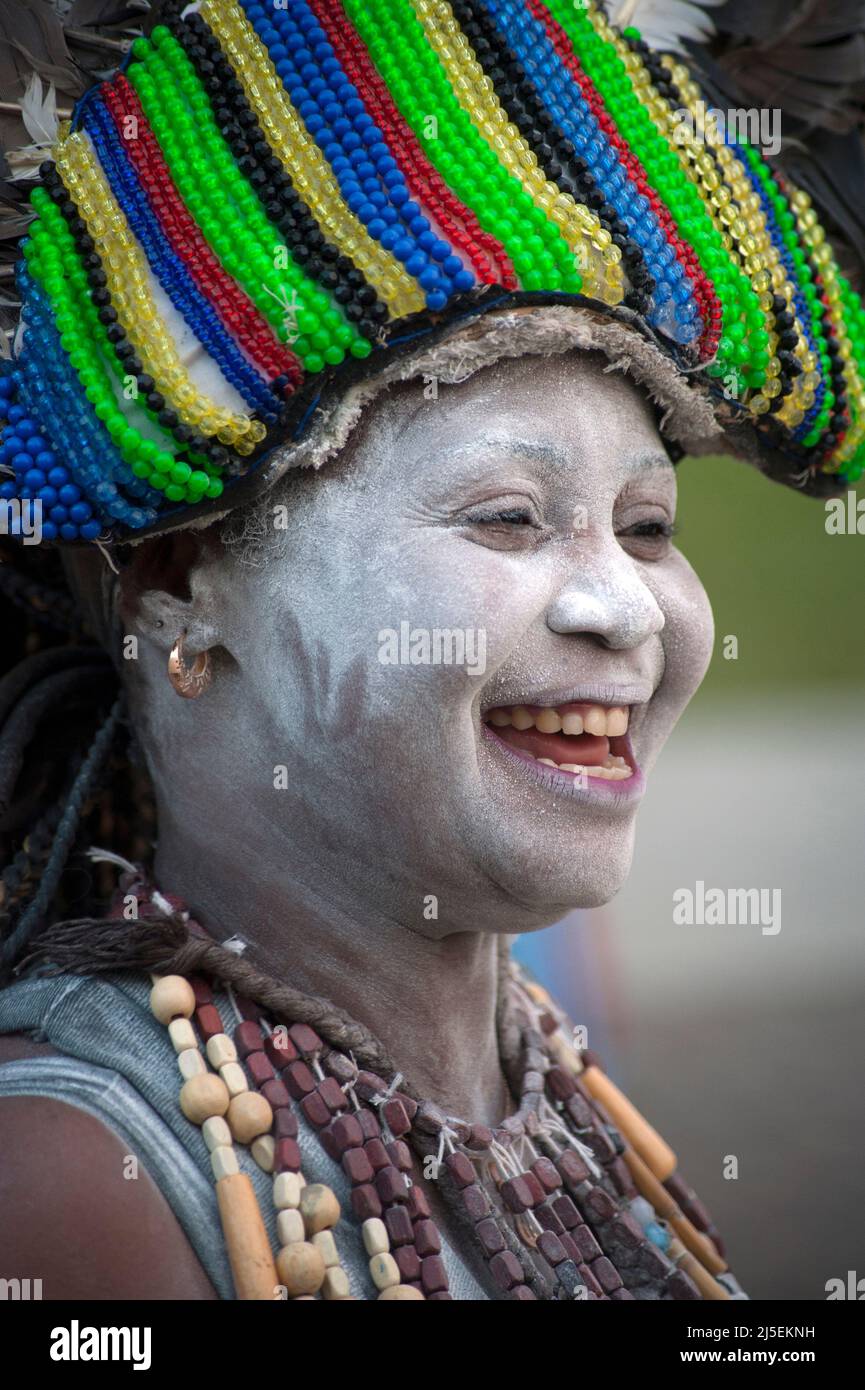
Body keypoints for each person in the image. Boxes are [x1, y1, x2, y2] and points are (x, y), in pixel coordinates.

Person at [0, 0, 862, 1301]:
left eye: (645, 525)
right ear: (181, 587)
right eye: (508, 517)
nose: (623, 609)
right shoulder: (72, 1182)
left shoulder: (553, 1100)